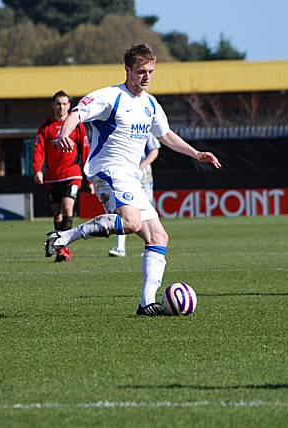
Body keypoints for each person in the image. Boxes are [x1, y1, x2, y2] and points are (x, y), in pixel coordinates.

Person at [44, 44, 221, 316]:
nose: (147, 77)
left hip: (131, 178)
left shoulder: (150, 104)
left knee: (159, 236)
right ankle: (66, 235)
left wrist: (196, 154)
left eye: (151, 71)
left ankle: (146, 304)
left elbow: (166, 135)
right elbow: (77, 113)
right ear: (127, 70)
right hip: (108, 171)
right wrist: (64, 134)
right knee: (132, 222)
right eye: (141, 71)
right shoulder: (110, 97)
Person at [33, 90, 90, 262]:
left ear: (69, 106)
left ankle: (64, 248)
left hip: (72, 174)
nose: (61, 107)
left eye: (64, 103)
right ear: (53, 105)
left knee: (67, 208)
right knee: (57, 214)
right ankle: (59, 247)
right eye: (58, 103)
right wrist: (38, 169)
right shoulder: (46, 126)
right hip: (52, 176)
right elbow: (39, 149)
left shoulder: (77, 126)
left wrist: (89, 174)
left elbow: (85, 149)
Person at [108, 133, 160, 257]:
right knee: (123, 211)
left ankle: (151, 245)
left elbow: (155, 150)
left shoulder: (145, 126)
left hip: (143, 176)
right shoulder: (120, 127)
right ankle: (120, 247)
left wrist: (142, 166)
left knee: (146, 212)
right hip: (124, 174)